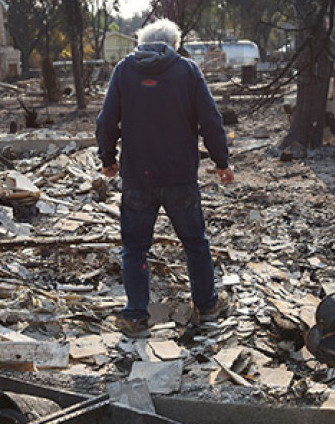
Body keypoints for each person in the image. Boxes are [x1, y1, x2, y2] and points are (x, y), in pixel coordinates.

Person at [96, 18, 234, 337]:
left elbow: (105, 122)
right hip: (180, 177)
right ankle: (206, 304)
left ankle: (136, 314)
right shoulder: (186, 71)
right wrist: (221, 162)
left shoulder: (123, 71)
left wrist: (107, 159)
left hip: (137, 178)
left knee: (135, 248)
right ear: (174, 45)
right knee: (195, 243)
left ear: (140, 43)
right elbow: (211, 121)